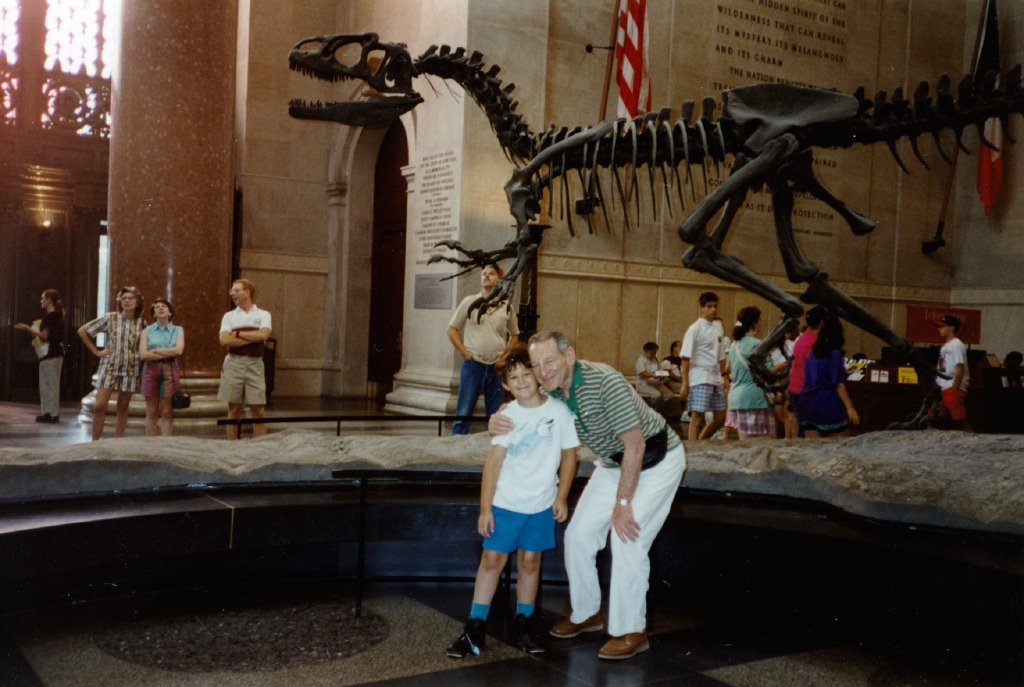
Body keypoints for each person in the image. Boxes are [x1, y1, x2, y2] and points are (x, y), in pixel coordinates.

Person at [491, 330, 686, 661]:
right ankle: (586, 614)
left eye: (549, 361)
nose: (542, 372)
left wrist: (623, 505)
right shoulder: (552, 389)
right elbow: (522, 401)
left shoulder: (604, 381)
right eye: (536, 365)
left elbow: (635, 445)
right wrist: (498, 419)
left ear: (569, 357)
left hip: (655, 459)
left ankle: (631, 630)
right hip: (614, 463)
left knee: (626, 537)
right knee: (579, 534)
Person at [446, 345, 579, 659]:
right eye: (513, 377)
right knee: (492, 561)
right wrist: (485, 508)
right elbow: (493, 463)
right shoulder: (507, 415)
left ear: (536, 374)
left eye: (526, 373)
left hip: (541, 504)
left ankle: (525, 623)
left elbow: (569, 455)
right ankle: (475, 627)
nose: (521, 381)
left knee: (530, 563)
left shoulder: (558, 411)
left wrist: (561, 497)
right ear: (505, 385)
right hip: (506, 503)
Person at [447, 262, 519, 435]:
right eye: (484, 273)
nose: (486, 276)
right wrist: (465, 353)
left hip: (497, 367)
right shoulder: (470, 302)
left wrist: (506, 355)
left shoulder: (506, 306)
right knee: (464, 413)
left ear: (498, 279)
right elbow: (452, 329)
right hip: (474, 365)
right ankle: (455, 451)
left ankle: (491, 451)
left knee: (495, 414)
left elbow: (515, 334)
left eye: (491, 273)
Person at [78, 286, 146, 440]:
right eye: (124, 298)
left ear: (137, 302)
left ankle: (118, 441)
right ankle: (95, 441)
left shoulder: (142, 323)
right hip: (109, 366)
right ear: (120, 302)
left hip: (131, 368)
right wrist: (97, 351)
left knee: (122, 407)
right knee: (99, 405)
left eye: (130, 298)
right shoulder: (110, 318)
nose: (127, 301)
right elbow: (83, 331)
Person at [218, 278, 272, 439]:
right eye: (231, 290)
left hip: (255, 364)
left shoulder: (263, 314)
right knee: (234, 409)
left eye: (235, 290)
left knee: (258, 410)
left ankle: (259, 447)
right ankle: (232, 447)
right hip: (233, 363)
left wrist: (238, 333)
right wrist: (253, 337)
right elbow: (224, 340)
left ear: (247, 292)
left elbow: (264, 335)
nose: (231, 293)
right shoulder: (229, 316)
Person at [798, 313, 860, 437]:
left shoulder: (812, 353)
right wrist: (850, 407)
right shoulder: (835, 354)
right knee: (839, 449)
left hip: (808, 402)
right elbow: (838, 384)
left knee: (811, 451)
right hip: (827, 402)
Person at [679, 292, 727, 440]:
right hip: (700, 376)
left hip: (715, 377)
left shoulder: (719, 327)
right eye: (709, 306)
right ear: (701, 308)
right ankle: (693, 448)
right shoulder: (695, 328)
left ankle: (701, 442)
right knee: (697, 418)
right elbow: (685, 358)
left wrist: (724, 376)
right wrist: (685, 384)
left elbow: (721, 357)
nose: (713, 310)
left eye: (715, 306)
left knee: (720, 417)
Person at [14, 289, 66, 423]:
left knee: (47, 385)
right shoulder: (58, 315)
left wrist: (27, 328)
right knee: (54, 384)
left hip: (48, 354)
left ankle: (50, 414)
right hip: (57, 354)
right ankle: (52, 413)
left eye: (43, 298)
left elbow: (44, 336)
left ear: (49, 300)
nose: (41, 301)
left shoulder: (49, 316)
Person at [725, 307, 776, 439]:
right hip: (755, 399)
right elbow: (768, 372)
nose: (761, 323)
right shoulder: (758, 344)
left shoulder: (733, 345)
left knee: (746, 446)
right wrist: (783, 365)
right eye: (760, 320)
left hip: (737, 398)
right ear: (754, 323)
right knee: (767, 444)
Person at [139, 298, 185, 436]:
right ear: (153, 314)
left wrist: (155, 351)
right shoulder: (146, 331)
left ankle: (166, 444)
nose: (160, 308)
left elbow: (178, 351)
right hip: (150, 371)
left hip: (169, 369)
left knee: (167, 411)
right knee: (152, 411)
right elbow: (143, 355)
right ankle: (151, 443)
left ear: (170, 312)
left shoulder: (178, 330)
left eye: (164, 306)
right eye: (157, 307)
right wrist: (166, 351)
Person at [786, 306, 826, 438]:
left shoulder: (801, 339)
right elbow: (813, 370)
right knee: (808, 431)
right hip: (807, 391)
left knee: (802, 426)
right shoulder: (815, 342)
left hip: (795, 388)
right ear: (822, 322)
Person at [933, 315, 973, 432]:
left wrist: (954, 388)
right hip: (942, 386)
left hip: (951, 386)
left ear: (952, 328)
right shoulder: (946, 345)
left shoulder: (956, 344)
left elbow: (959, 367)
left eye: (942, 326)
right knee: (935, 416)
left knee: (959, 420)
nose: (939, 329)